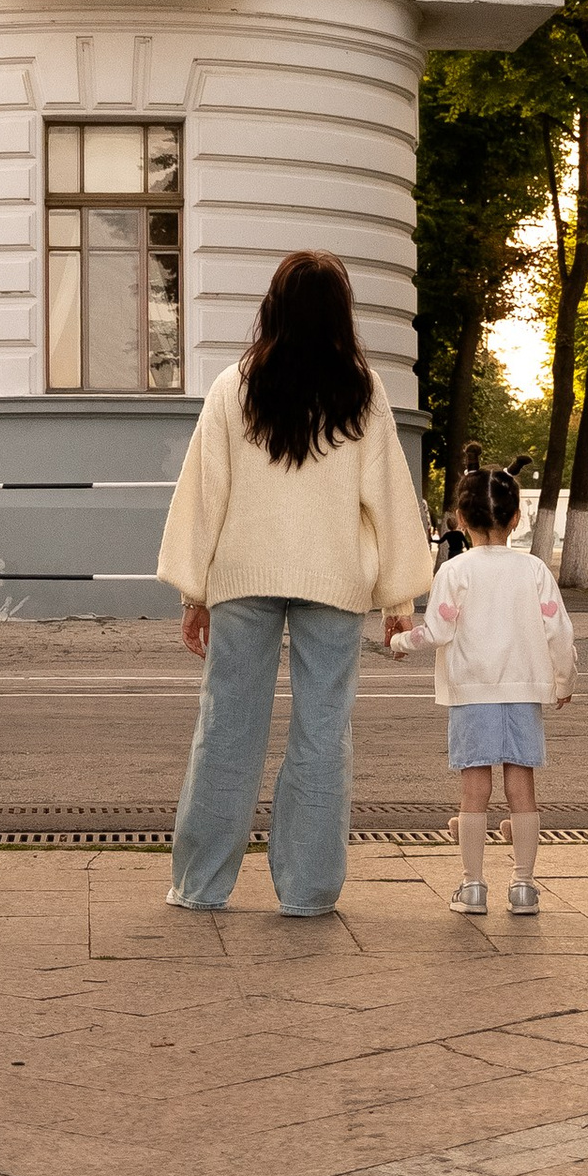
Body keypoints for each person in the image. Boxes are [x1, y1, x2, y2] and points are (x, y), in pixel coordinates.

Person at [158, 251, 429, 916]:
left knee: (225, 726)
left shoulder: (234, 386)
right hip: (334, 583)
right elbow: (390, 499)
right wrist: (399, 599)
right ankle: (308, 891)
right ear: (342, 312)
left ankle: (200, 885)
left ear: (272, 306)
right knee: (322, 732)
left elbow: (205, 496)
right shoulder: (361, 392)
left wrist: (194, 593)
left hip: (241, 579)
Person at [390, 458, 577, 917]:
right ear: (515, 519)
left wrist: (398, 639)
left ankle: (472, 887)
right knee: (522, 791)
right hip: (523, 691)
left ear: (459, 520)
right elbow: (559, 630)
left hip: (471, 693)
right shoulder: (533, 570)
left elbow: (436, 631)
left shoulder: (454, 573)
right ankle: (524, 887)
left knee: (474, 792)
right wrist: (562, 679)